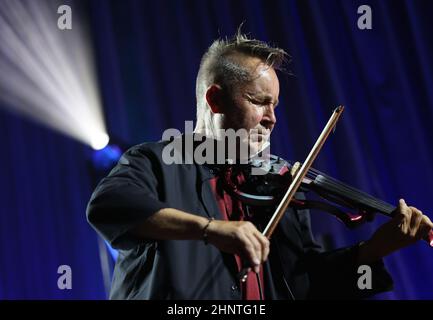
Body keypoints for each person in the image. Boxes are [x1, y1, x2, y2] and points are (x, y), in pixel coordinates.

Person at [86, 31, 433, 300]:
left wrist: (376, 249)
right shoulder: (157, 161)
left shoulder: (276, 188)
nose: (272, 119)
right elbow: (108, 206)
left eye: (275, 105)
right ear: (215, 99)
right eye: (259, 102)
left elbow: (306, 284)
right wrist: (211, 229)